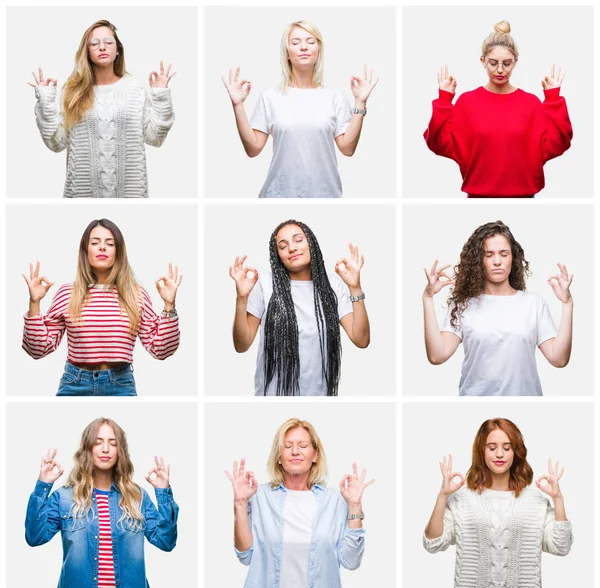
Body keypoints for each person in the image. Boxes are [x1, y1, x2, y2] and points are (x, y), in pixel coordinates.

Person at [22, 218, 182, 396]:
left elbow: (161, 350)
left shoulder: (136, 294)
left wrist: (169, 305)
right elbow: (37, 350)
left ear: (118, 252)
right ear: (86, 251)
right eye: (95, 242)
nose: (102, 247)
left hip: (121, 385)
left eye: (110, 243)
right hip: (74, 385)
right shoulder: (68, 293)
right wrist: (34, 303)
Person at [221, 20, 379, 198]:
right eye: (295, 43)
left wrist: (360, 102)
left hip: (324, 195)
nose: (304, 47)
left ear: (318, 51)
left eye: (310, 42)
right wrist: (238, 105)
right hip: (278, 195)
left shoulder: (334, 97)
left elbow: (347, 148)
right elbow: (253, 149)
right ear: (287, 53)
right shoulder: (271, 97)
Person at [25, 417, 178, 588]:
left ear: (120, 451)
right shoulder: (64, 497)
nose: (105, 449)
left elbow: (166, 542)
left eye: (113, 443)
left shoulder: (138, 497)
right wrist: (43, 485)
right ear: (87, 448)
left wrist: (163, 493)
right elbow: (35, 537)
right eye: (98, 442)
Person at [424, 20, 572, 198]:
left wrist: (553, 99)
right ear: (483, 61)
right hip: (478, 199)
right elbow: (437, 142)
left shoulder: (531, 103)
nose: (500, 70)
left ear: (515, 62)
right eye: (493, 63)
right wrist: (444, 100)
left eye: (507, 63)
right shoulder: (467, 103)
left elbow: (558, 143)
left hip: (524, 200)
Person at [422, 220, 573, 395]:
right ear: (478, 260)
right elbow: (437, 355)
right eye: (488, 254)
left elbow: (559, 358)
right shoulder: (463, 305)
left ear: (513, 258)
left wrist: (567, 304)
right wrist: (428, 298)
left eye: (504, 254)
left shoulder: (533, 303)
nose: (497, 261)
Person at [423, 418, 572, 588]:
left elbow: (561, 547)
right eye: (492, 448)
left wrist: (558, 499)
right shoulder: (462, 501)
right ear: (481, 451)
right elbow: (432, 544)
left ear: (516, 452)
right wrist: (443, 496)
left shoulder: (535, 501)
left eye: (507, 448)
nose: (499, 454)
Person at [29, 19, 176, 198]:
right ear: (87, 51)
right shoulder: (72, 92)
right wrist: (46, 102)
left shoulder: (134, 90)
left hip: (130, 196)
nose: (102, 47)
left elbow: (155, 138)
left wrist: (160, 94)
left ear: (117, 51)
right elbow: (56, 143)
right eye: (94, 43)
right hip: (82, 196)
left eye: (108, 42)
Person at [225, 418, 373, 588]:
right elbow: (245, 555)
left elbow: (351, 561)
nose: (295, 451)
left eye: (303, 446)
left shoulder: (335, 500)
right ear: (278, 457)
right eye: (287, 446)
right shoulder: (259, 496)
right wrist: (240, 504)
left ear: (315, 455)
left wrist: (355, 506)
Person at [230, 219, 370, 396]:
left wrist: (355, 287)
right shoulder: (265, 284)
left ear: (311, 242)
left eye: (298, 240)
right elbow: (241, 345)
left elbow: (361, 339)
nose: (292, 248)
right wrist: (242, 298)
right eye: (283, 246)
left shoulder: (333, 286)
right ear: (277, 255)